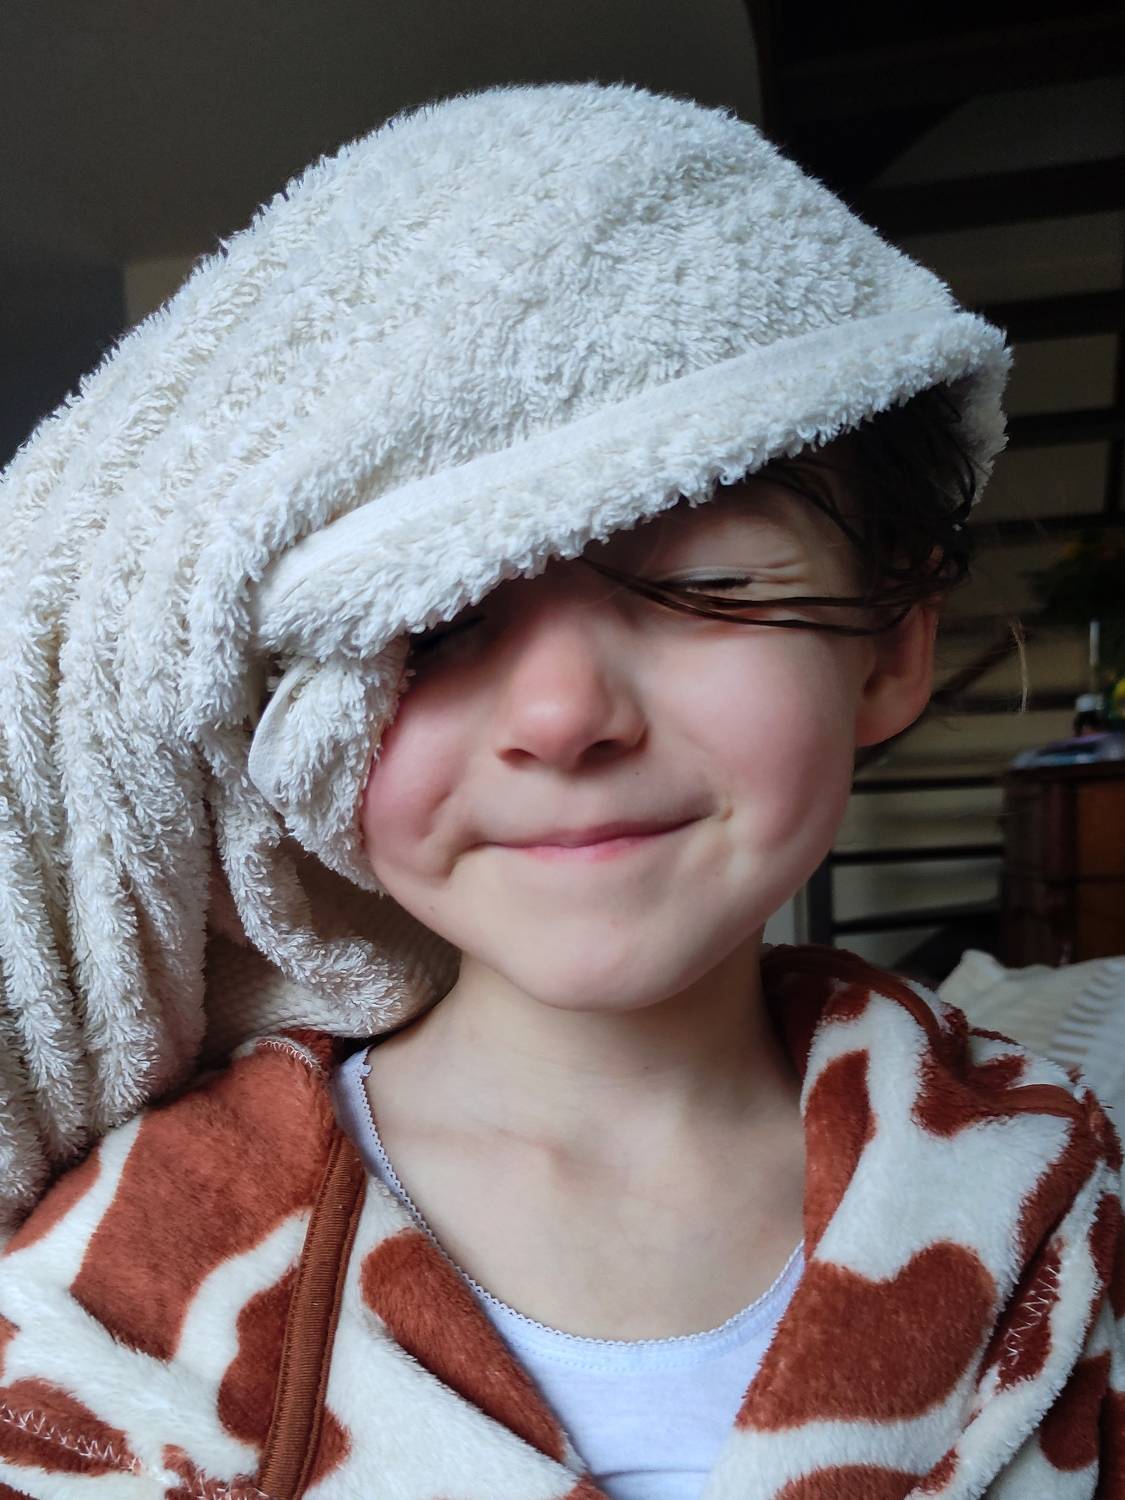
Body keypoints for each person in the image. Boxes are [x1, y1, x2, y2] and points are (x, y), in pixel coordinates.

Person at [0, 82, 1120, 1500]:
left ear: (891, 648)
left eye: (695, 583)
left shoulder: (1052, 1185)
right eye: (431, 626)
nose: (561, 716)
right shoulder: (121, 1287)